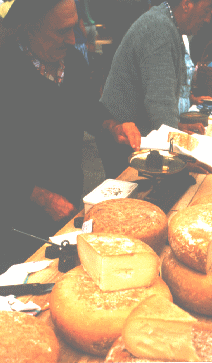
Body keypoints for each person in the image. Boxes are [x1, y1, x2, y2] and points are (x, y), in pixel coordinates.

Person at [0, 0, 100, 273]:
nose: (72, 39)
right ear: (31, 28)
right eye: (61, 31)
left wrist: (113, 124)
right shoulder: (6, 69)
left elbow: (89, 109)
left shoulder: (74, 63)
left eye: (75, 28)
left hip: (67, 205)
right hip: (16, 220)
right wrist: (39, 196)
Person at [96, 0, 212, 178]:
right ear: (187, 4)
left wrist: (177, 129)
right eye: (206, 10)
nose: (207, 19)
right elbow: (160, 106)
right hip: (124, 136)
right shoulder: (159, 29)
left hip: (139, 130)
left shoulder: (166, 23)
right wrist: (183, 158)